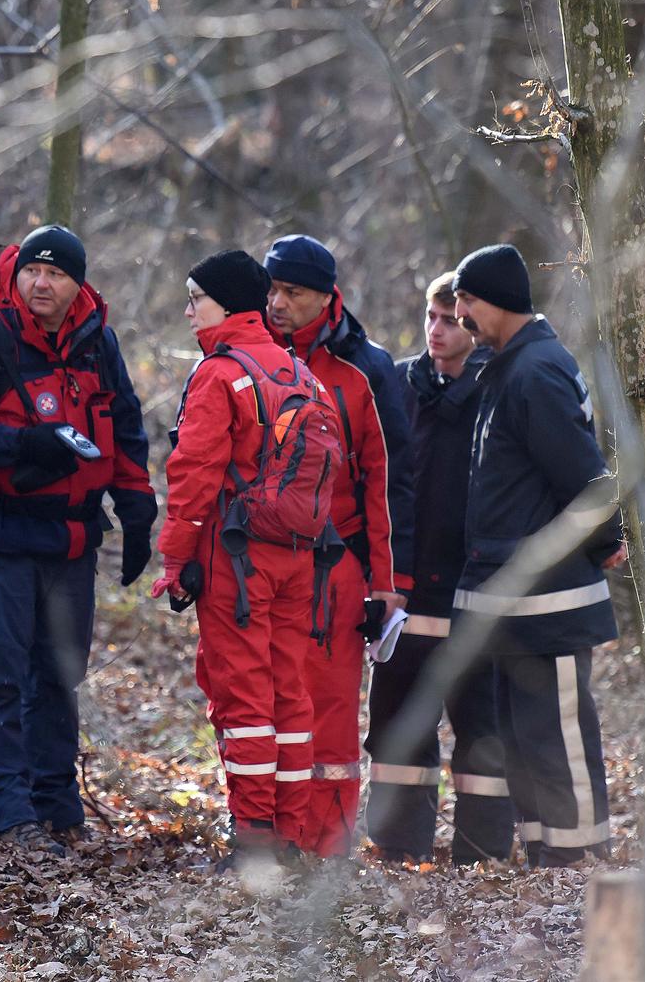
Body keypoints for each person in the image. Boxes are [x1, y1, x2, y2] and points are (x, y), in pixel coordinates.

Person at [0, 225, 157, 856]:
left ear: (78, 283)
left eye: (55, 273)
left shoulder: (97, 343)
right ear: (17, 274)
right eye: (32, 271)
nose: (41, 283)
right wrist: (20, 445)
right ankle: (8, 810)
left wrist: (137, 512)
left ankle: (57, 806)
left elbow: (124, 429)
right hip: (0, 534)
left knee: (59, 673)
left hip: (73, 539)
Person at [450, 244, 626, 866]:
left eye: (467, 301)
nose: (461, 314)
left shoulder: (535, 371)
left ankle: (576, 862)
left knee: (555, 737)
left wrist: (607, 542)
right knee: (522, 735)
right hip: (510, 600)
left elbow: (584, 478)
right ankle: (545, 856)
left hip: (549, 598)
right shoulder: (507, 369)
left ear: (496, 300)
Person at [152, 250, 321, 872]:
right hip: (301, 558)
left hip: (237, 559)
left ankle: (253, 838)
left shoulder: (219, 374)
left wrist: (174, 559)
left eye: (196, 297)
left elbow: (194, 475)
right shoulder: (297, 370)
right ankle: (291, 834)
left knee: (244, 695)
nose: (189, 308)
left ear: (226, 302)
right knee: (290, 695)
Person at [262, 234, 414, 858]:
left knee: (327, 710)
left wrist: (387, 586)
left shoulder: (365, 370)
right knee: (265, 703)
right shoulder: (248, 359)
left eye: (292, 292)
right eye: (271, 290)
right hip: (261, 566)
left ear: (327, 298)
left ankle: (327, 844)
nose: (277, 303)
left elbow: (389, 483)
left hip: (337, 566)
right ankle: (268, 835)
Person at [365, 271, 511, 864]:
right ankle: (400, 847)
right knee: (398, 728)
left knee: (484, 735)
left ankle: (482, 854)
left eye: (450, 319)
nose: (437, 331)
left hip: (474, 594)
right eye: (431, 317)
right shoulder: (399, 385)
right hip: (404, 594)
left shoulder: (498, 390)